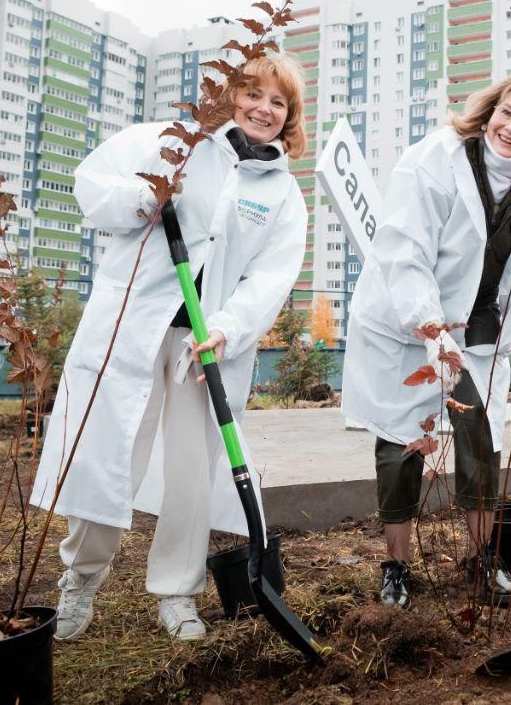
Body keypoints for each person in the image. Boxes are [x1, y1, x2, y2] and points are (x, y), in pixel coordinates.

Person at [29, 56, 309, 642]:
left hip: (205, 345)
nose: (263, 109)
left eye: (277, 102)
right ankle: (79, 578)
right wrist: (146, 197)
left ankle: (178, 593)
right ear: (230, 96)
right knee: (112, 451)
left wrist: (229, 328)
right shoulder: (171, 143)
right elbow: (90, 183)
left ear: (290, 117)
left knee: (190, 470)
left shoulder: (283, 195)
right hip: (133, 325)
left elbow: (272, 276)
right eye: (252, 94)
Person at [341, 74, 511, 610]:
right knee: (403, 441)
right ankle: (396, 567)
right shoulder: (437, 161)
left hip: (481, 330)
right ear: (488, 111)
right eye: (506, 113)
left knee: (480, 440)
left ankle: (479, 560)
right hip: (408, 323)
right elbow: (406, 253)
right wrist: (430, 330)